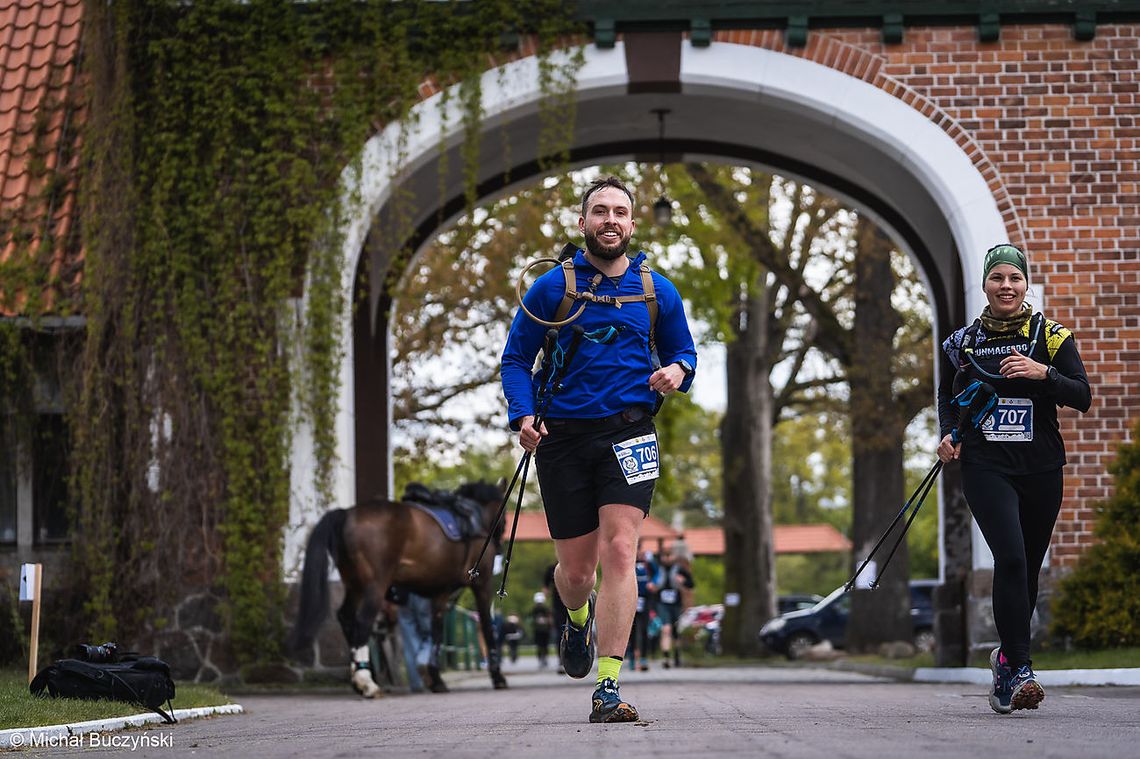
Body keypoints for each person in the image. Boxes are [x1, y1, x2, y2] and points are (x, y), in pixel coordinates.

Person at [501, 176, 697, 724]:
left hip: (630, 432)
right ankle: (576, 617)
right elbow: (515, 359)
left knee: (620, 550)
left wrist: (677, 371)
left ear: (632, 224)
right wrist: (523, 415)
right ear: (583, 222)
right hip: (561, 438)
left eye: (620, 212)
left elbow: (685, 352)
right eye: (600, 211)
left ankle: (607, 686)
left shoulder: (658, 291)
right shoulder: (551, 288)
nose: (611, 220)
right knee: (576, 573)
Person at [936, 243, 1091, 715]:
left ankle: (1005, 658)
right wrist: (948, 434)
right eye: (997, 277)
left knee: (1027, 570)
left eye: (1015, 278)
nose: (1006, 286)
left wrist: (1044, 374)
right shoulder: (962, 343)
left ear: (1026, 284)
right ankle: (1020, 669)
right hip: (986, 466)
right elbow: (947, 395)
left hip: (1041, 467)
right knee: (1010, 557)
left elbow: (1082, 396)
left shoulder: (1052, 336)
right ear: (985, 284)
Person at [657, 543, 695, 668]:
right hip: (662, 604)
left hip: (677, 604)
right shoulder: (658, 569)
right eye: (665, 555)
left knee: (676, 630)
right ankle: (666, 658)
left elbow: (691, 584)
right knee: (666, 629)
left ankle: (677, 654)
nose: (667, 558)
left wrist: (683, 581)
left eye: (669, 555)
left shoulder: (679, 569)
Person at [393, 588, 433, 693]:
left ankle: (416, 683)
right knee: (429, 635)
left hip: (404, 594)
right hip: (424, 593)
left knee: (409, 640)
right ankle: (423, 660)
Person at [626, 548, 660, 671]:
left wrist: (653, 583)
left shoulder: (649, 563)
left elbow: (657, 574)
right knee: (632, 630)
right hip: (632, 598)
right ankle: (632, 657)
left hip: (645, 599)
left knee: (645, 629)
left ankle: (644, 658)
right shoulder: (629, 561)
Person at [530, 591, 553, 668]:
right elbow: (531, 620)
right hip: (539, 630)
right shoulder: (534, 610)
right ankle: (541, 659)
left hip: (544, 630)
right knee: (540, 645)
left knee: (544, 645)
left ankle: (544, 658)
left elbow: (550, 619)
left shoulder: (545, 609)